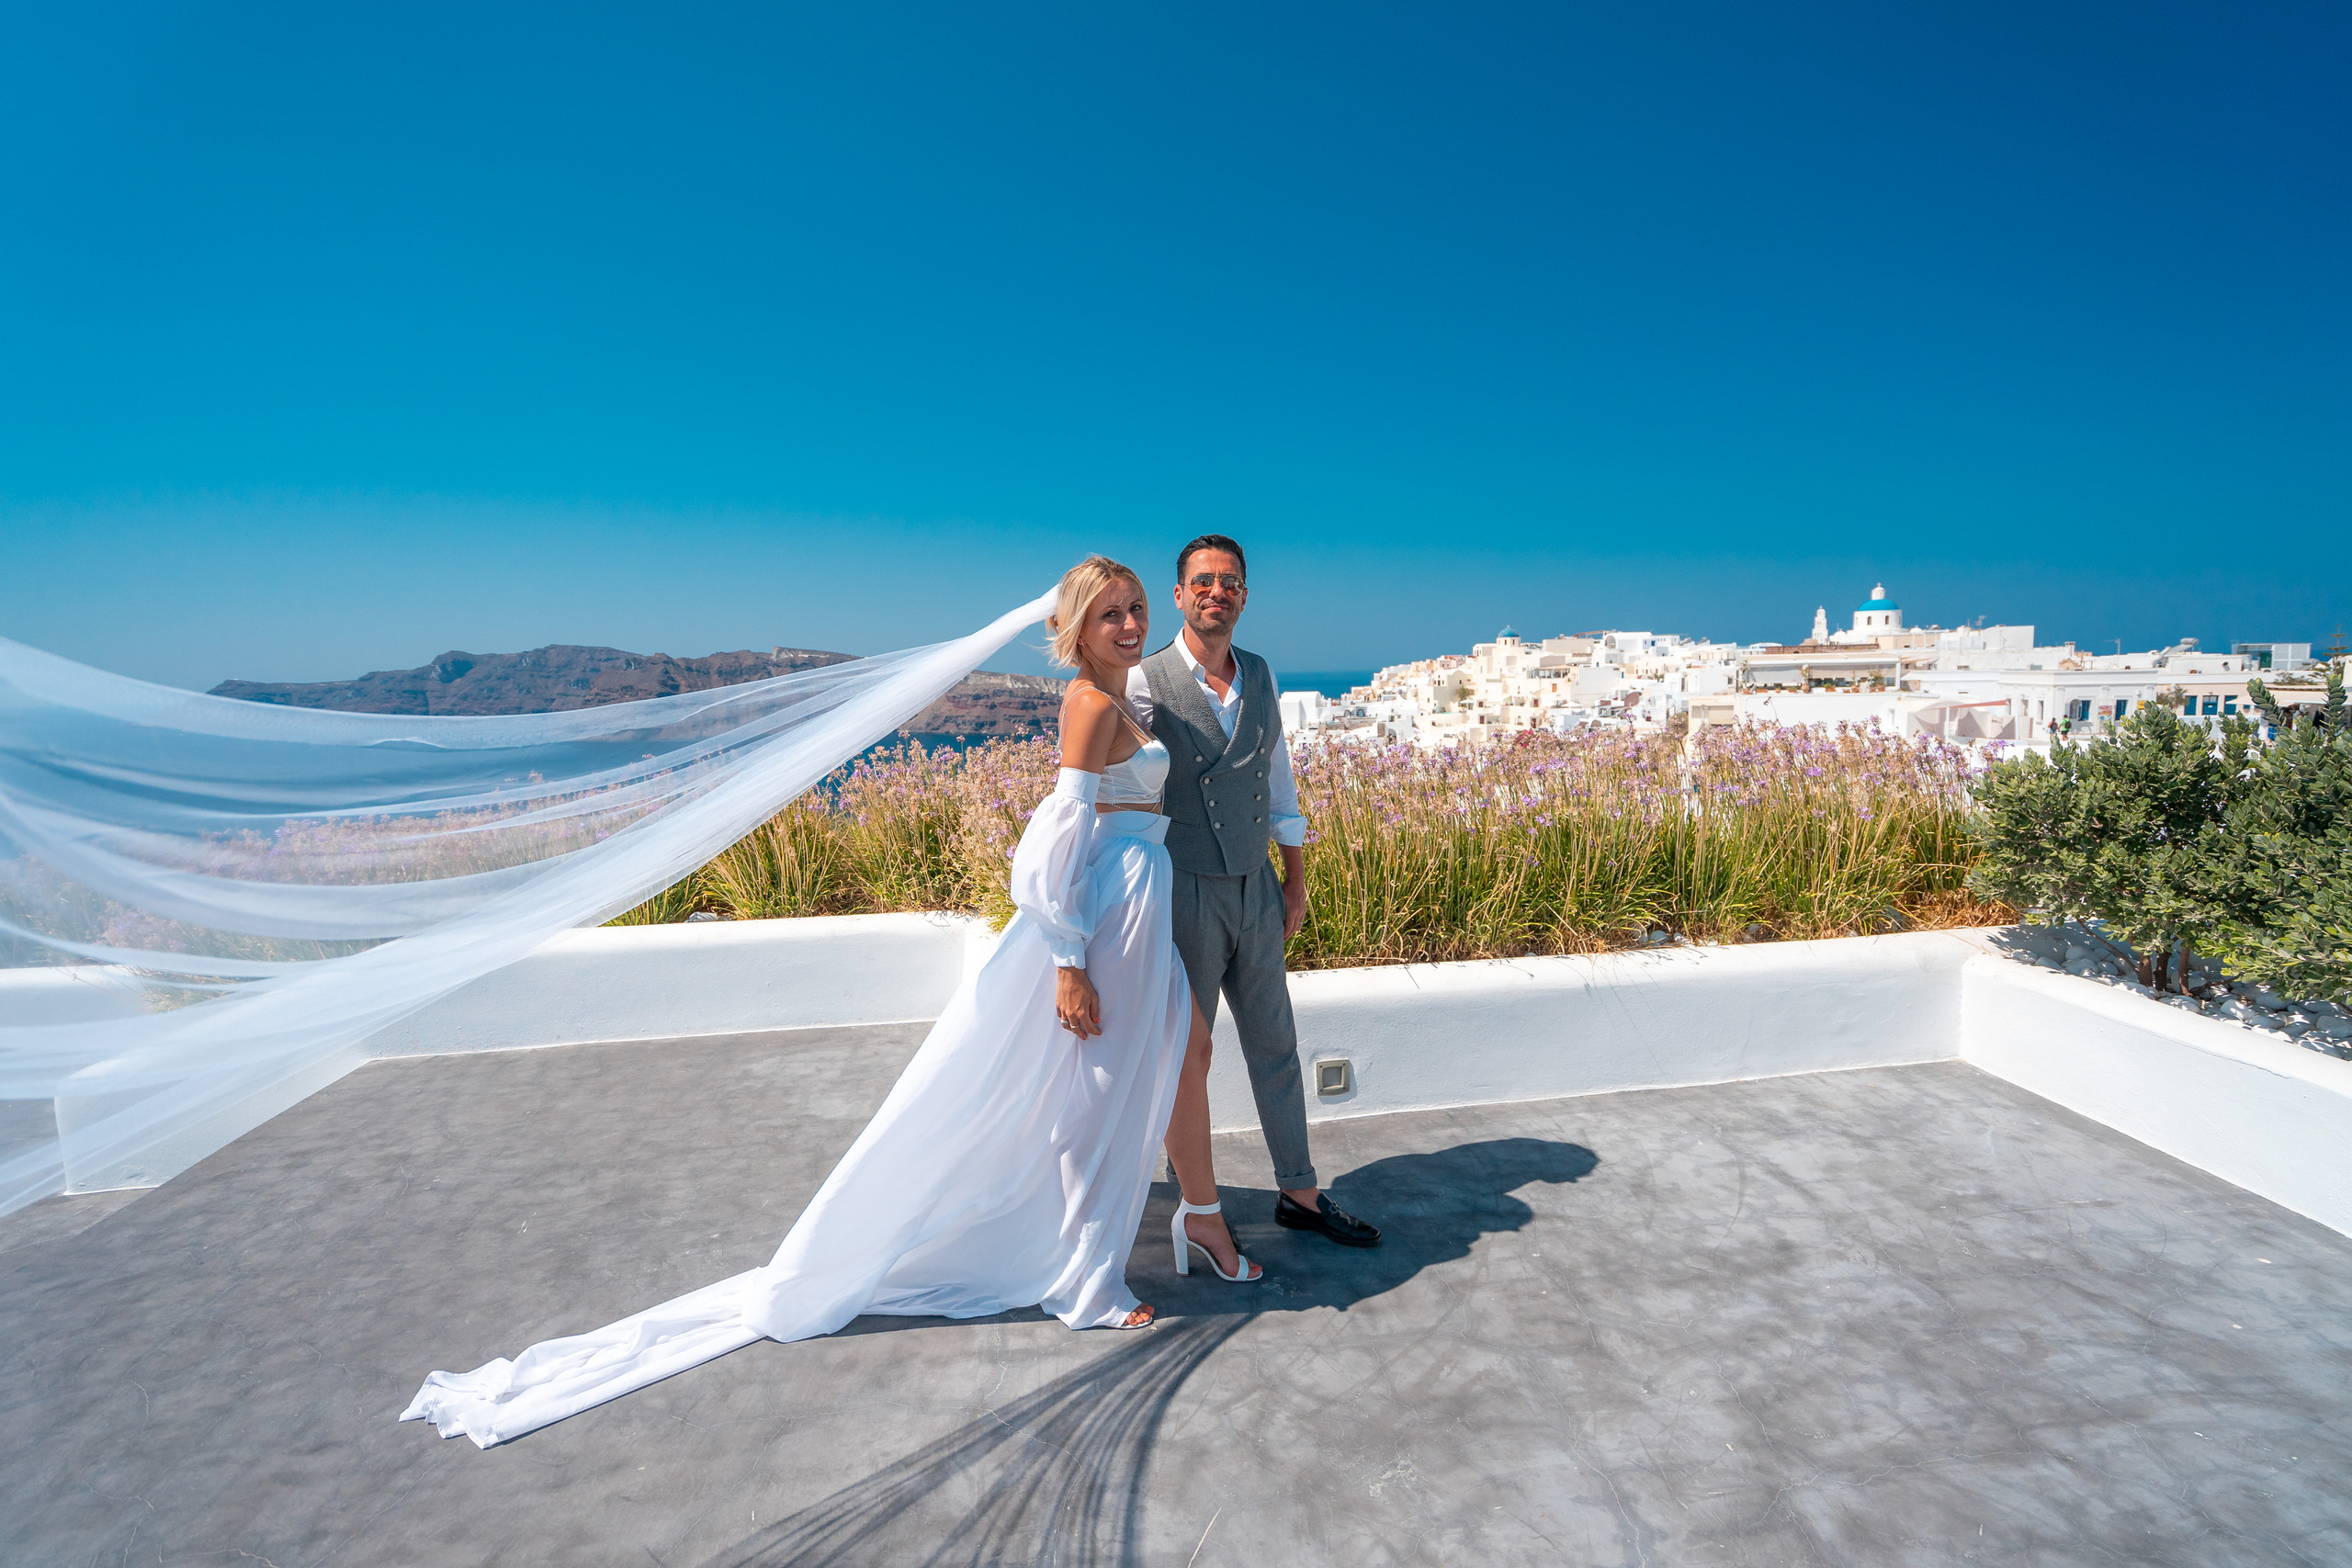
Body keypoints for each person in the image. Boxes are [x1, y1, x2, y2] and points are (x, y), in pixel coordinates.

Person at [401, 556, 1257, 1450]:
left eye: (1135, 610)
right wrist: (1068, 958)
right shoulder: (1087, 704)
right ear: (1075, 629)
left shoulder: (1133, 705)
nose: (1127, 624)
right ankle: (1087, 1285)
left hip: (1140, 905)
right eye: (1108, 614)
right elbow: (1056, 839)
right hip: (1105, 916)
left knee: (1124, 1090)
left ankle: (1087, 1258)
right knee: (1092, 1097)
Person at [1133, 535, 1384, 1257]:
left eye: (1232, 581)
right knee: (1188, 1054)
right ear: (1178, 595)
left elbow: (1280, 785)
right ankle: (1189, 1197)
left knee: (1277, 1042)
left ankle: (1299, 1191)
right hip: (1183, 891)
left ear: (1245, 595)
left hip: (1257, 888)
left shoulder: (1263, 675)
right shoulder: (1146, 682)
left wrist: (1295, 878)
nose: (1218, 591)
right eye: (1203, 581)